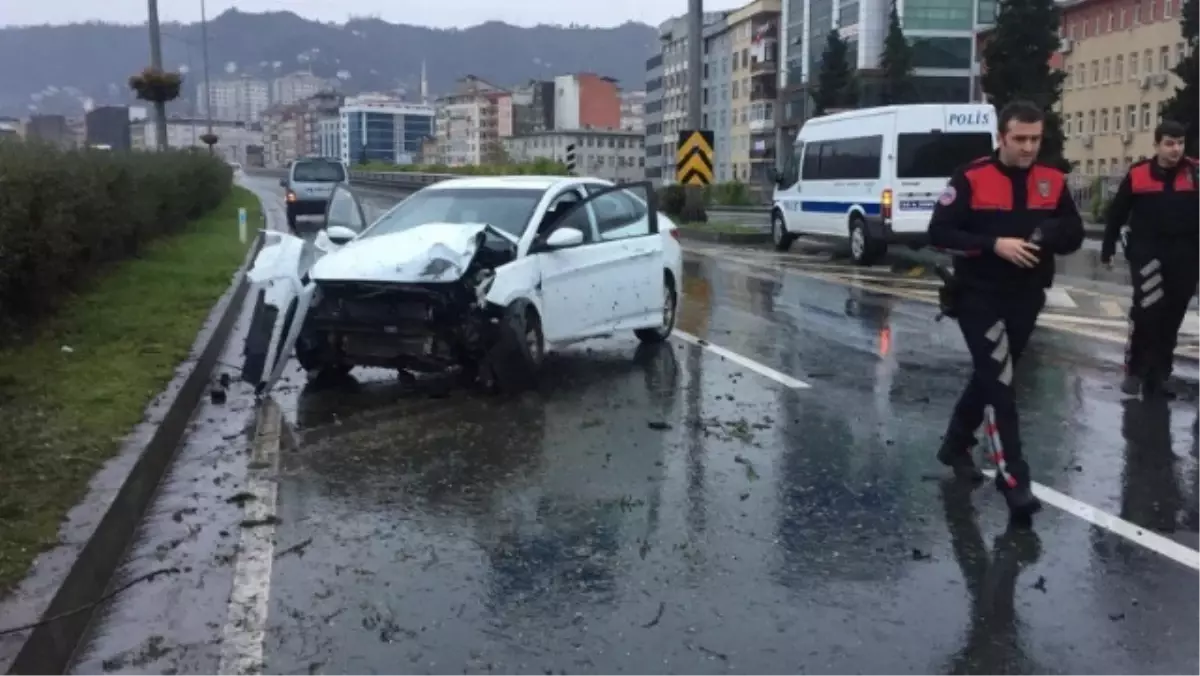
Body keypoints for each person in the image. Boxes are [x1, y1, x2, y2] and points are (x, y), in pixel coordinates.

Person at [927, 100, 1085, 519]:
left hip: (1027, 295)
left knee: (992, 375)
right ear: (1002, 137)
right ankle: (1014, 480)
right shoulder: (971, 177)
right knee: (1000, 385)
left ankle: (956, 443)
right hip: (978, 294)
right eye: (1020, 139)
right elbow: (939, 232)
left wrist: (1046, 233)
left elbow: (1073, 233)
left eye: (1036, 139)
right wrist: (994, 245)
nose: (1029, 147)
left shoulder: (1052, 180)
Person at [1100, 121, 1200, 399]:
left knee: (1172, 316)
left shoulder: (1195, 173)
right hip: (1148, 253)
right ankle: (1135, 371)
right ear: (1156, 145)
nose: (1175, 149)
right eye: (1169, 143)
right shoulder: (1138, 175)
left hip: (1185, 255)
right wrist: (1107, 248)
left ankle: (1160, 376)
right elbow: (1117, 213)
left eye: (1180, 143)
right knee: (1147, 312)